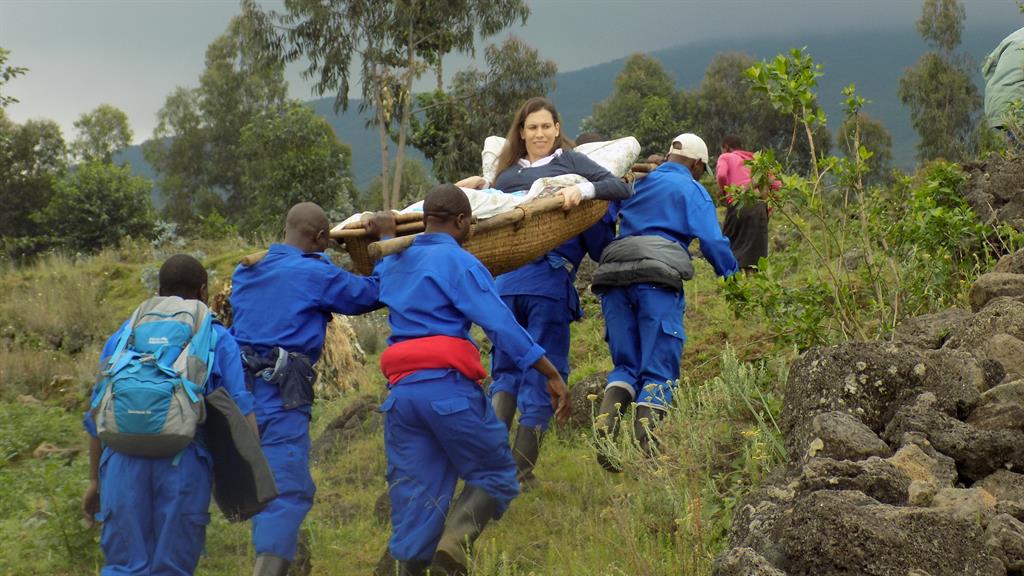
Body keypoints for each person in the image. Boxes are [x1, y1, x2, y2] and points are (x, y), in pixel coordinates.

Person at [373, 184, 571, 576]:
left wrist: (383, 234)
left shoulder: (395, 260)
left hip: (401, 398)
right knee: (497, 474)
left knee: (418, 500)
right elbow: (501, 326)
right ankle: (453, 546)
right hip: (448, 392)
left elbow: (379, 271)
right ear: (462, 222)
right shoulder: (460, 262)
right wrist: (550, 373)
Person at [456, 97, 631, 488]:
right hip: (542, 288)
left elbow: (612, 184)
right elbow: (606, 226)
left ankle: (489, 470)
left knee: (505, 372)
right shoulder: (504, 178)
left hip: (502, 291)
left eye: (545, 127)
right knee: (537, 374)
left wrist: (582, 190)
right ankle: (518, 472)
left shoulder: (569, 163)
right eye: (531, 128)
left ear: (556, 129)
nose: (539, 134)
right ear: (521, 132)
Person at [229, 202, 388, 576]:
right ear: (319, 238)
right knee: (286, 494)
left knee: (264, 487)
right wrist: (385, 238)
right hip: (283, 398)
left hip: (241, 398)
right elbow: (372, 294)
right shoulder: (313, 274)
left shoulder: (247, 270)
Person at [81, 254, 256, 575]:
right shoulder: (216, 336)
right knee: (172, 568)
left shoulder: (124, 335)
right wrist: (252, 480)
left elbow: (97, 414)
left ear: (159, 290)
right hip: (183, 462)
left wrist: (95, 480)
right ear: (203, 291)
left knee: (123, 566)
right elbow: (241, 414)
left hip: (121, 461)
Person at [591, 134, 739, 471]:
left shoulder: (634, 183)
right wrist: (731, 277)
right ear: (698, 165)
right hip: (656, 278)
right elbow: (713, 241)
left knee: (626, 367)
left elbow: (602, 215)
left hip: (612, 275)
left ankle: (605, 436)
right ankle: (650, 457)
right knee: (659, 370)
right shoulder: (691, 189)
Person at [716, 135, 773, 272]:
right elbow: (775, 183)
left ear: (727, 147)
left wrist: (725, 192)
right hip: (759, 207)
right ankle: (752, 286)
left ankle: (734, 284)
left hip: (738, 203)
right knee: (755, 254)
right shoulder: (757, 160)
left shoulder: (726, 157)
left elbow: (722, 175)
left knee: (731, 246)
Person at [983, 26, 1024, 141]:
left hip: (996, 104)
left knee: (1016, 147)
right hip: (1019, 104)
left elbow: (987, 69)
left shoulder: (1013, 38)